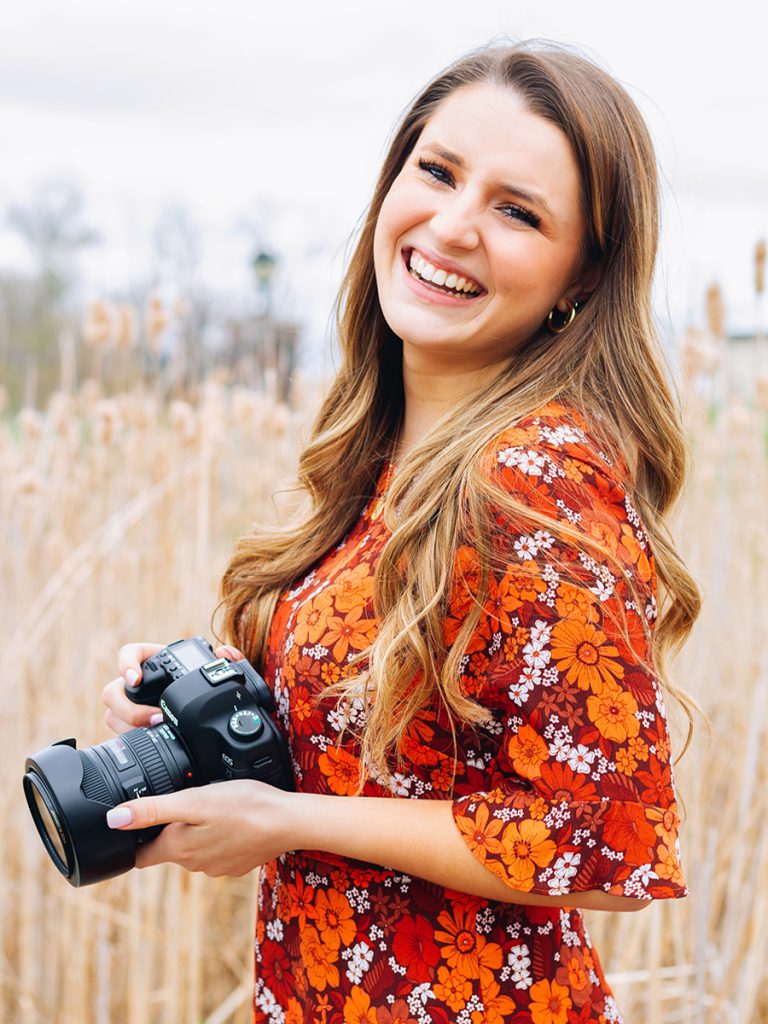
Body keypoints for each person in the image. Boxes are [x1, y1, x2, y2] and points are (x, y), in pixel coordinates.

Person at [102, 39, 701, 1024]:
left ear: (580, 277)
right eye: (438, 171)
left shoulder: (533, 477)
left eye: (518, 211)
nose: (453, 225)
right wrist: (207, 706)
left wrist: (285, 819)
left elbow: (607, 843)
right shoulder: (385, 464)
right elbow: (393, 761)